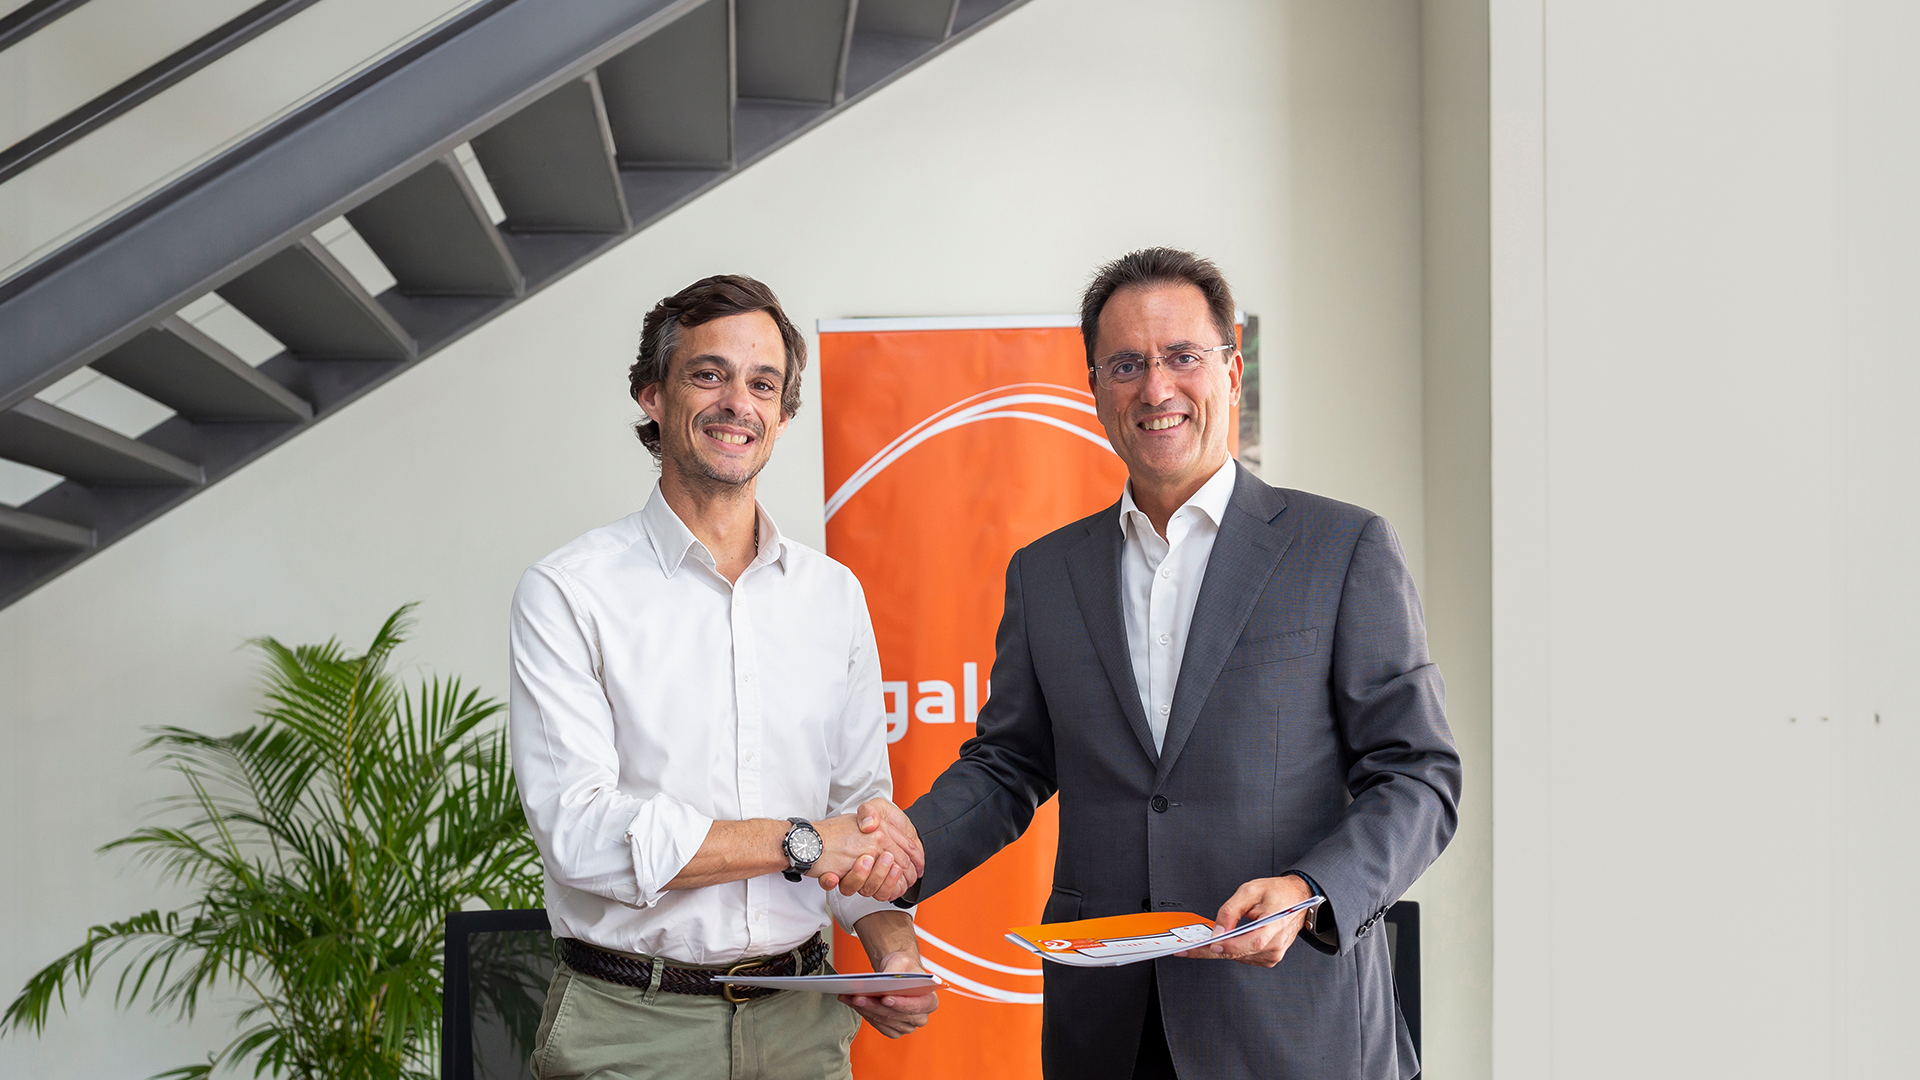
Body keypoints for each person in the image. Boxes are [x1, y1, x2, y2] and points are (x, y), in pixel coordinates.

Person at [829, 248, 1461, 1079]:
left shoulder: (1342, 548)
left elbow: (1419, 776)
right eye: (1126, 365)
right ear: (1094, 389)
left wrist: (1311, 890)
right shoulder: (1047, 573)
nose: (1156, 388)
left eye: (1182, 356)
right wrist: (911, 847)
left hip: (1293, 1024)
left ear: (1232, 370)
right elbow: (1011, 762)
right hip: (1109, 1029)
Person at [509, 274, 937, 1080]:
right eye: (709, 374)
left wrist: (894, 950)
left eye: (763, 384)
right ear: (652, 395)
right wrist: (804, 842)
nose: (737, 402)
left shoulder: (832, 596)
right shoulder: (568, 591)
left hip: (802, 1027)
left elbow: (858, 816)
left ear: (783, 415)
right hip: (629, 1030)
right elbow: (583, 835)